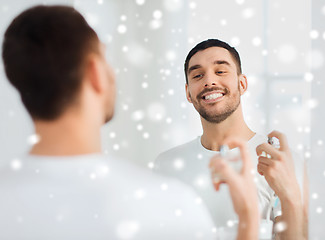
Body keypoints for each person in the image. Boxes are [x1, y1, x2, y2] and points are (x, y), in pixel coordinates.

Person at [0, 5, 261, 240]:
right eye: (106, 59)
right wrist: (248, 219)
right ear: (95, 73)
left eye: (221, 70)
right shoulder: (167, 203)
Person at [154, 39, 306, 239]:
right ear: (188, 93)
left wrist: (290, 196)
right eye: (198, 75)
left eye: (220, 71)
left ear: (242, 84)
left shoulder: (280, 162)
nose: (209, 81)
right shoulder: (167, 166)